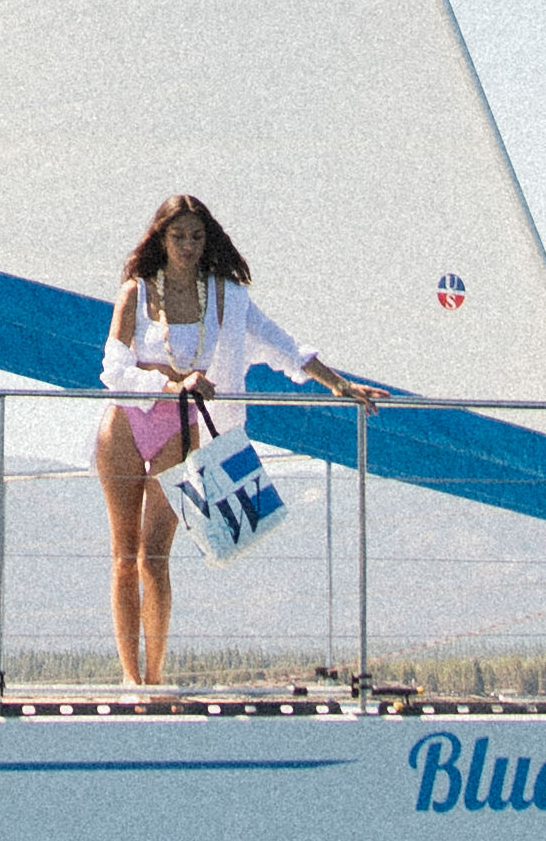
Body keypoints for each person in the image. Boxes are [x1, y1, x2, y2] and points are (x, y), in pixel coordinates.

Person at [93, 197, 383, 689]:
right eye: (178, 236)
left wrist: (339, 385)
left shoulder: (227, 298)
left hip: (180, 429)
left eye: (196, 237)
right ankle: (130, 677)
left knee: (154, 555)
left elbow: (282, 346)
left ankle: (155, 676)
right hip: (126, 423)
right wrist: (171, 384)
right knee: (123, 557)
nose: (187, 246)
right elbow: (113, 370)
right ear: (161, 238)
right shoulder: (137, 292)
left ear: (209, 241)